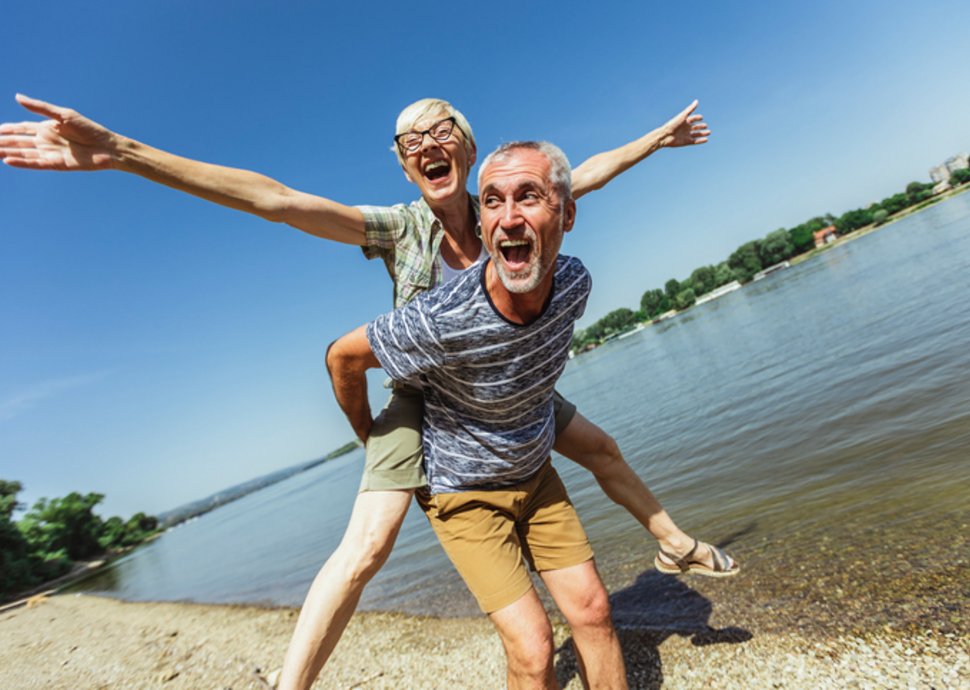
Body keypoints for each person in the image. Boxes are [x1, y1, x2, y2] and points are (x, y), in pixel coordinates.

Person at [0, 95, 737, 689]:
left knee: (601, 448)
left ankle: (674, 544)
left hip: (504, 385)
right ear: (407, 167)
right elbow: (276, 200)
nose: (423, 140)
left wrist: (656, 139)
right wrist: (128, 154)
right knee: (366, 547)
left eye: (440, 126)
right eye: (406, 138)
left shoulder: (512, 209)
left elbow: (590, 171)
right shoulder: (400, 226)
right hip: (421, 395)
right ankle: (294, 682)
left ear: (469, 148)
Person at [326, 141, 625, 688]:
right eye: (491, 201)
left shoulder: (574, 285)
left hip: (535, 476)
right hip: (464, 495)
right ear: (481, 221)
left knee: (594, 612)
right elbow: (342, 356)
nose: (508, 217)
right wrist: (370, 435)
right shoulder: (442, 317)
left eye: (528, 197)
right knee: (534, 649)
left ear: (568, 213)